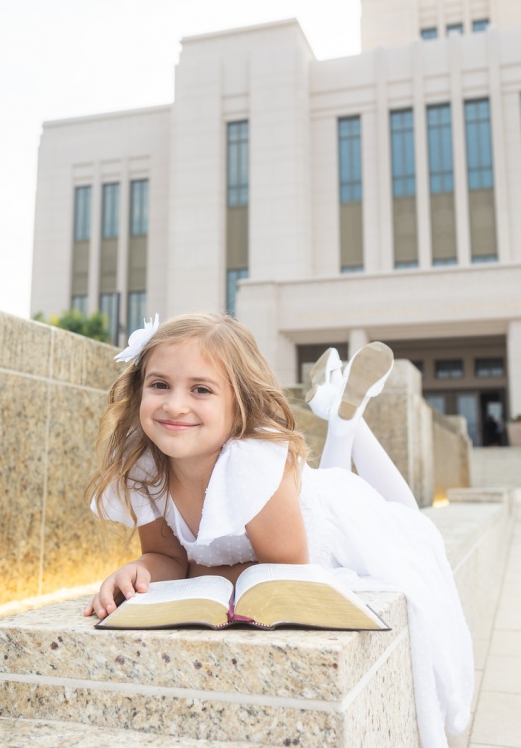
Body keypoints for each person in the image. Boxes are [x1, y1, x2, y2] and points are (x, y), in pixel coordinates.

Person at [86, 313, 473, 748]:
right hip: (307, 506)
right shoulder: (146, 466)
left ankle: (348, 421)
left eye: (201, 390)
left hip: (339, 523)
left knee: (414, 525)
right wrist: (139, 571)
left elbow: (284, 569)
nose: (175, 405)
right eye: (160, 385)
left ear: (239, 406)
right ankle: (341, 415)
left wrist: (194, 571)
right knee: (375, 498)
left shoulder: (250, 461)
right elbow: (168, 557)